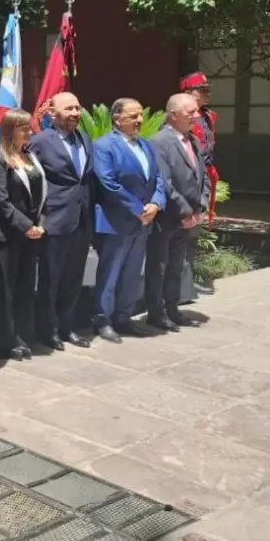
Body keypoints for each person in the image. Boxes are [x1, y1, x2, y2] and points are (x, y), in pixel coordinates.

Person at [91, 97, 166, 342]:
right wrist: (137, 209)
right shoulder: (104, 146)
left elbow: (158, 179)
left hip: (143, 222)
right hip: (117, 222)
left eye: (140, 116)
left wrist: (156, 203)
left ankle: (123, 318)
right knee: (110, 274)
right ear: (116, 118)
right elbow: (108, 183)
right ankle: (103, 320)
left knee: (133, 273)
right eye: (133, 116)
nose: (139, 120)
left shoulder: (145, 145)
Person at [29, 92, 95, 350]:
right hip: (54, 222)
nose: (75, 113)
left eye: (77, 108)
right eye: (68, 109)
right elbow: (32, 183)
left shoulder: (85, 139)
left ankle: (68, 328)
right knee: (51, 281)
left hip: (81, 222)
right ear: (52, 113)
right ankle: (49, 330)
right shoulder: (41, 142)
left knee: (73, 279)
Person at [0, 108, 47, 361]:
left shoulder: (30, 156)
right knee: (6, 290)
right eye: (24, 128)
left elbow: (43, 193)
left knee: (24, 286)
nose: (29, 131)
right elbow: (2, 200)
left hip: (31, 233)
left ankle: (22, 335)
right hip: (7, 234)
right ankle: (4, 340)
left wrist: (40, 223)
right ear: (10, 130)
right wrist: (25, 225)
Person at [145, 93, 208, 331]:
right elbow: (165, 182)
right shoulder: (159, 142)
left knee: (175, 267)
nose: (196, 116)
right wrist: (184, 211)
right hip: (168, 217)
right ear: (174, 115)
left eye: (196, 111)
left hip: (188, 218)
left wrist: (199, 207)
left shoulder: (193, 141)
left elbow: (201, 177)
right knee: (159, 267)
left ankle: (172, 308)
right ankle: (156, 312)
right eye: (190, 112)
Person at [182, 72, 219, 224]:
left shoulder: (208, 116)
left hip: (206, 170)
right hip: (189, 173)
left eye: (207, 90)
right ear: (188, 92)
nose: (207, 94)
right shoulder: (179, 116)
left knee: (200, 215)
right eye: (202, 90)